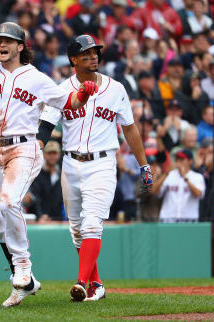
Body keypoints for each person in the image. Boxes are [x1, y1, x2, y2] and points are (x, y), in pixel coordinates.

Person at [0, 22, 92, 307]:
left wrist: (83, 93)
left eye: (8, 40)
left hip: (23, 146)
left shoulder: (35, 78)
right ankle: (25, 281)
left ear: (21, 46)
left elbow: (68, 101)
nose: (2, 44)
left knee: (10, 202)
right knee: (0, 219)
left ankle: (23, 266)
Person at [39, 34, 153, 302]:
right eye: (86, 53)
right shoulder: (62, 89)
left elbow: (129, 128)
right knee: (77, 230)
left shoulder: (116, 89)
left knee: (92, 225)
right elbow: (45, 126)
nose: (93, 56)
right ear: (73, 59)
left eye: (95, 52)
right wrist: (34, 151)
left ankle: (81, 282)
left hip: (102, 163)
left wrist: (144, 164)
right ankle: (96, 284)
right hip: (70, 163)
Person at [151, 149, 205, 222]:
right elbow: (153, 191)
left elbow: (198, 194)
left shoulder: (197, 177)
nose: (178, 162)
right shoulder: (169, 175)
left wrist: (185, 178)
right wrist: (165, 174)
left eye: (182, 159)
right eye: (177, 159)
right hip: (168, 220)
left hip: (189, 221)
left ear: (190, 161)